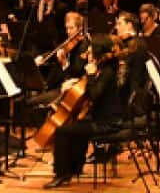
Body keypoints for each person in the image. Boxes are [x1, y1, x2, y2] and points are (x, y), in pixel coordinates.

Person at [43, 34, 123, 188]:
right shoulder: (103, 68)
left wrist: (91, 76)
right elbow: (91, 88)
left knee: (62, 131)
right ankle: (73, 169)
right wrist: (77, 81)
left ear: (99, 51)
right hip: (99, 119)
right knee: (75, 126)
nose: (89, 50)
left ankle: (61, 174)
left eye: (92, 48)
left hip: (106, 123)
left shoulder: (107, 72)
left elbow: (94, 96)